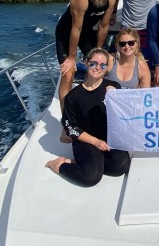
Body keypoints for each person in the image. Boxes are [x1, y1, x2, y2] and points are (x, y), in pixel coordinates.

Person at [45, 48, 131, 187]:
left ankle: (87, 163)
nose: (98, 67)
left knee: (120, 167)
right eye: (93, 63)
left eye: (103, 65)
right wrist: (95, 141)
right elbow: (70, 128)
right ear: (86, 63)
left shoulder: (113, 87)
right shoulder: (73, 96)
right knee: (91, 178)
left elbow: (125, 114)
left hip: (108, 138)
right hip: (85, 140)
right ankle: (59, 165)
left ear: (106, 68)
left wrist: (117, 98)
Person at [55, 0, 117, 123]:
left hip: (86, 33)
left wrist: (99, 51)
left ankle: (96, 105)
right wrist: (71, 58)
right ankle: (67, 119)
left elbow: (103, 25)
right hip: (66, 34)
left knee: (102, 66)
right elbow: (75, 29)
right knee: (68, 74)